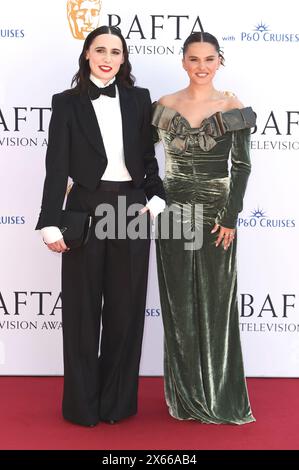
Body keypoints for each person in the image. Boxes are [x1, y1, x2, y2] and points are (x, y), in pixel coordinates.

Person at [36, 25, 165, 427]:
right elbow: (56, 166)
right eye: (100, 50)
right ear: (87, 55)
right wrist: (49, 221)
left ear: (124, 58)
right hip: (84, 209)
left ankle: (117, 404)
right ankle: (81, 407)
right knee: (81, 311)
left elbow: (147, 157)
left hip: (131, 209)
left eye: (115, 51)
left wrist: (157, 194)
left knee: (126, 312)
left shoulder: (140, 99)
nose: (108, 57)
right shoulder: (66, 103)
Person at [152, 30, 256, 424]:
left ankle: (220, 394)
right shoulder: (163, 105)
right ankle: (186, 396)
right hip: (173, 212)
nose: (201, 66)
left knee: (216, 304)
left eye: (209, 59)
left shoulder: (233, 106)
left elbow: (242, 167)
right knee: (179, 305)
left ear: (219, 61)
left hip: (217, 215)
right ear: (183, 61)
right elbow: (140, 157)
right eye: (194, 59)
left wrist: (230, 217)